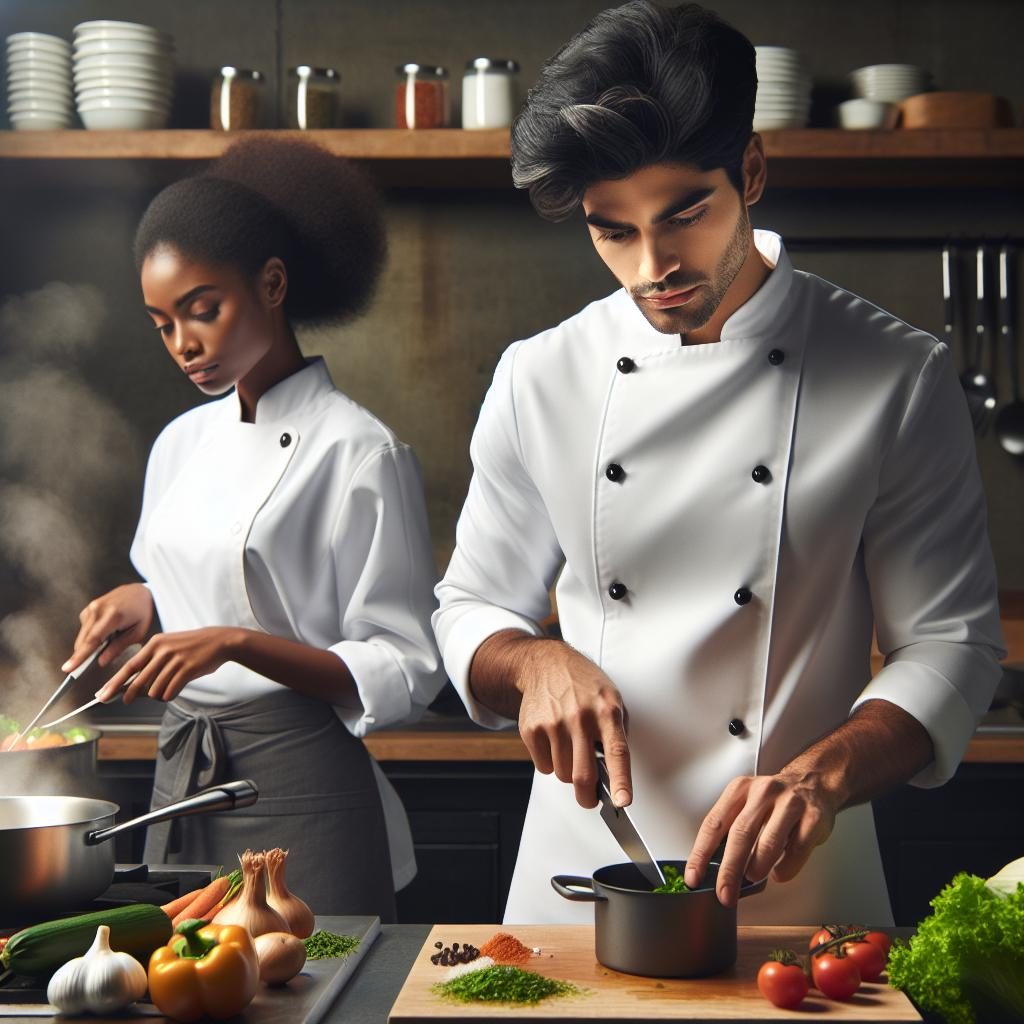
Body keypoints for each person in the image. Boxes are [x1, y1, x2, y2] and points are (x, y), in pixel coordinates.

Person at [434, 1, 1005, 925]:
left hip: (797, 876)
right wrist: (535, 661)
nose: (651, 264)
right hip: (580, 873)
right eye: (610, 229)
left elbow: (949, 642)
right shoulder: (539, 376)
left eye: (684, 214)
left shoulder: (896, 373)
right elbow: (470, 608)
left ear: (750, 171)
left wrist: (822, 776)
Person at [63, 135, 446, 919]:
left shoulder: (360, 451)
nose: (184, 345)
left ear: (272, 284)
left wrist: (235, 644)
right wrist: (146, 602)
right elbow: (204, 584)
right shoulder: (181, 442)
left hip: (304, 784)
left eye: (204, 310)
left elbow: (406, 668)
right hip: (186, 780)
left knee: (318, 995)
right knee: (185, 991)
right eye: (163, 323)